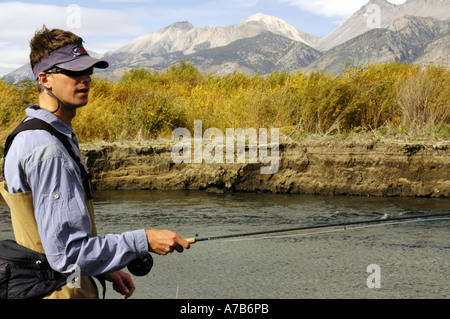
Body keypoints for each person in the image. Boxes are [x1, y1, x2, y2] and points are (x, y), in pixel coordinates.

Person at [0, 26, 190, 299]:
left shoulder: (38, 133)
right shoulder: (48, 149)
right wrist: (144, 239)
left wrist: (103, 268)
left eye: (88, 70)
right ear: (45, 78)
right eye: (74, 71)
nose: (86, 78)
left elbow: (48, 239)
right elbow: (67, 254)